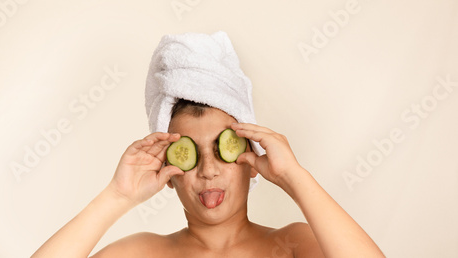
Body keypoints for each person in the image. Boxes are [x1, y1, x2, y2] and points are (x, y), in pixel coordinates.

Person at [33, 32, 385, 258]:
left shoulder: (294, 245)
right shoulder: (143, 253)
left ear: (250, 157)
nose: (208, 170)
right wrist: (116, 197)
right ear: (167, 173)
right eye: (188, 153)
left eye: (223, 148)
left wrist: (295, 177)